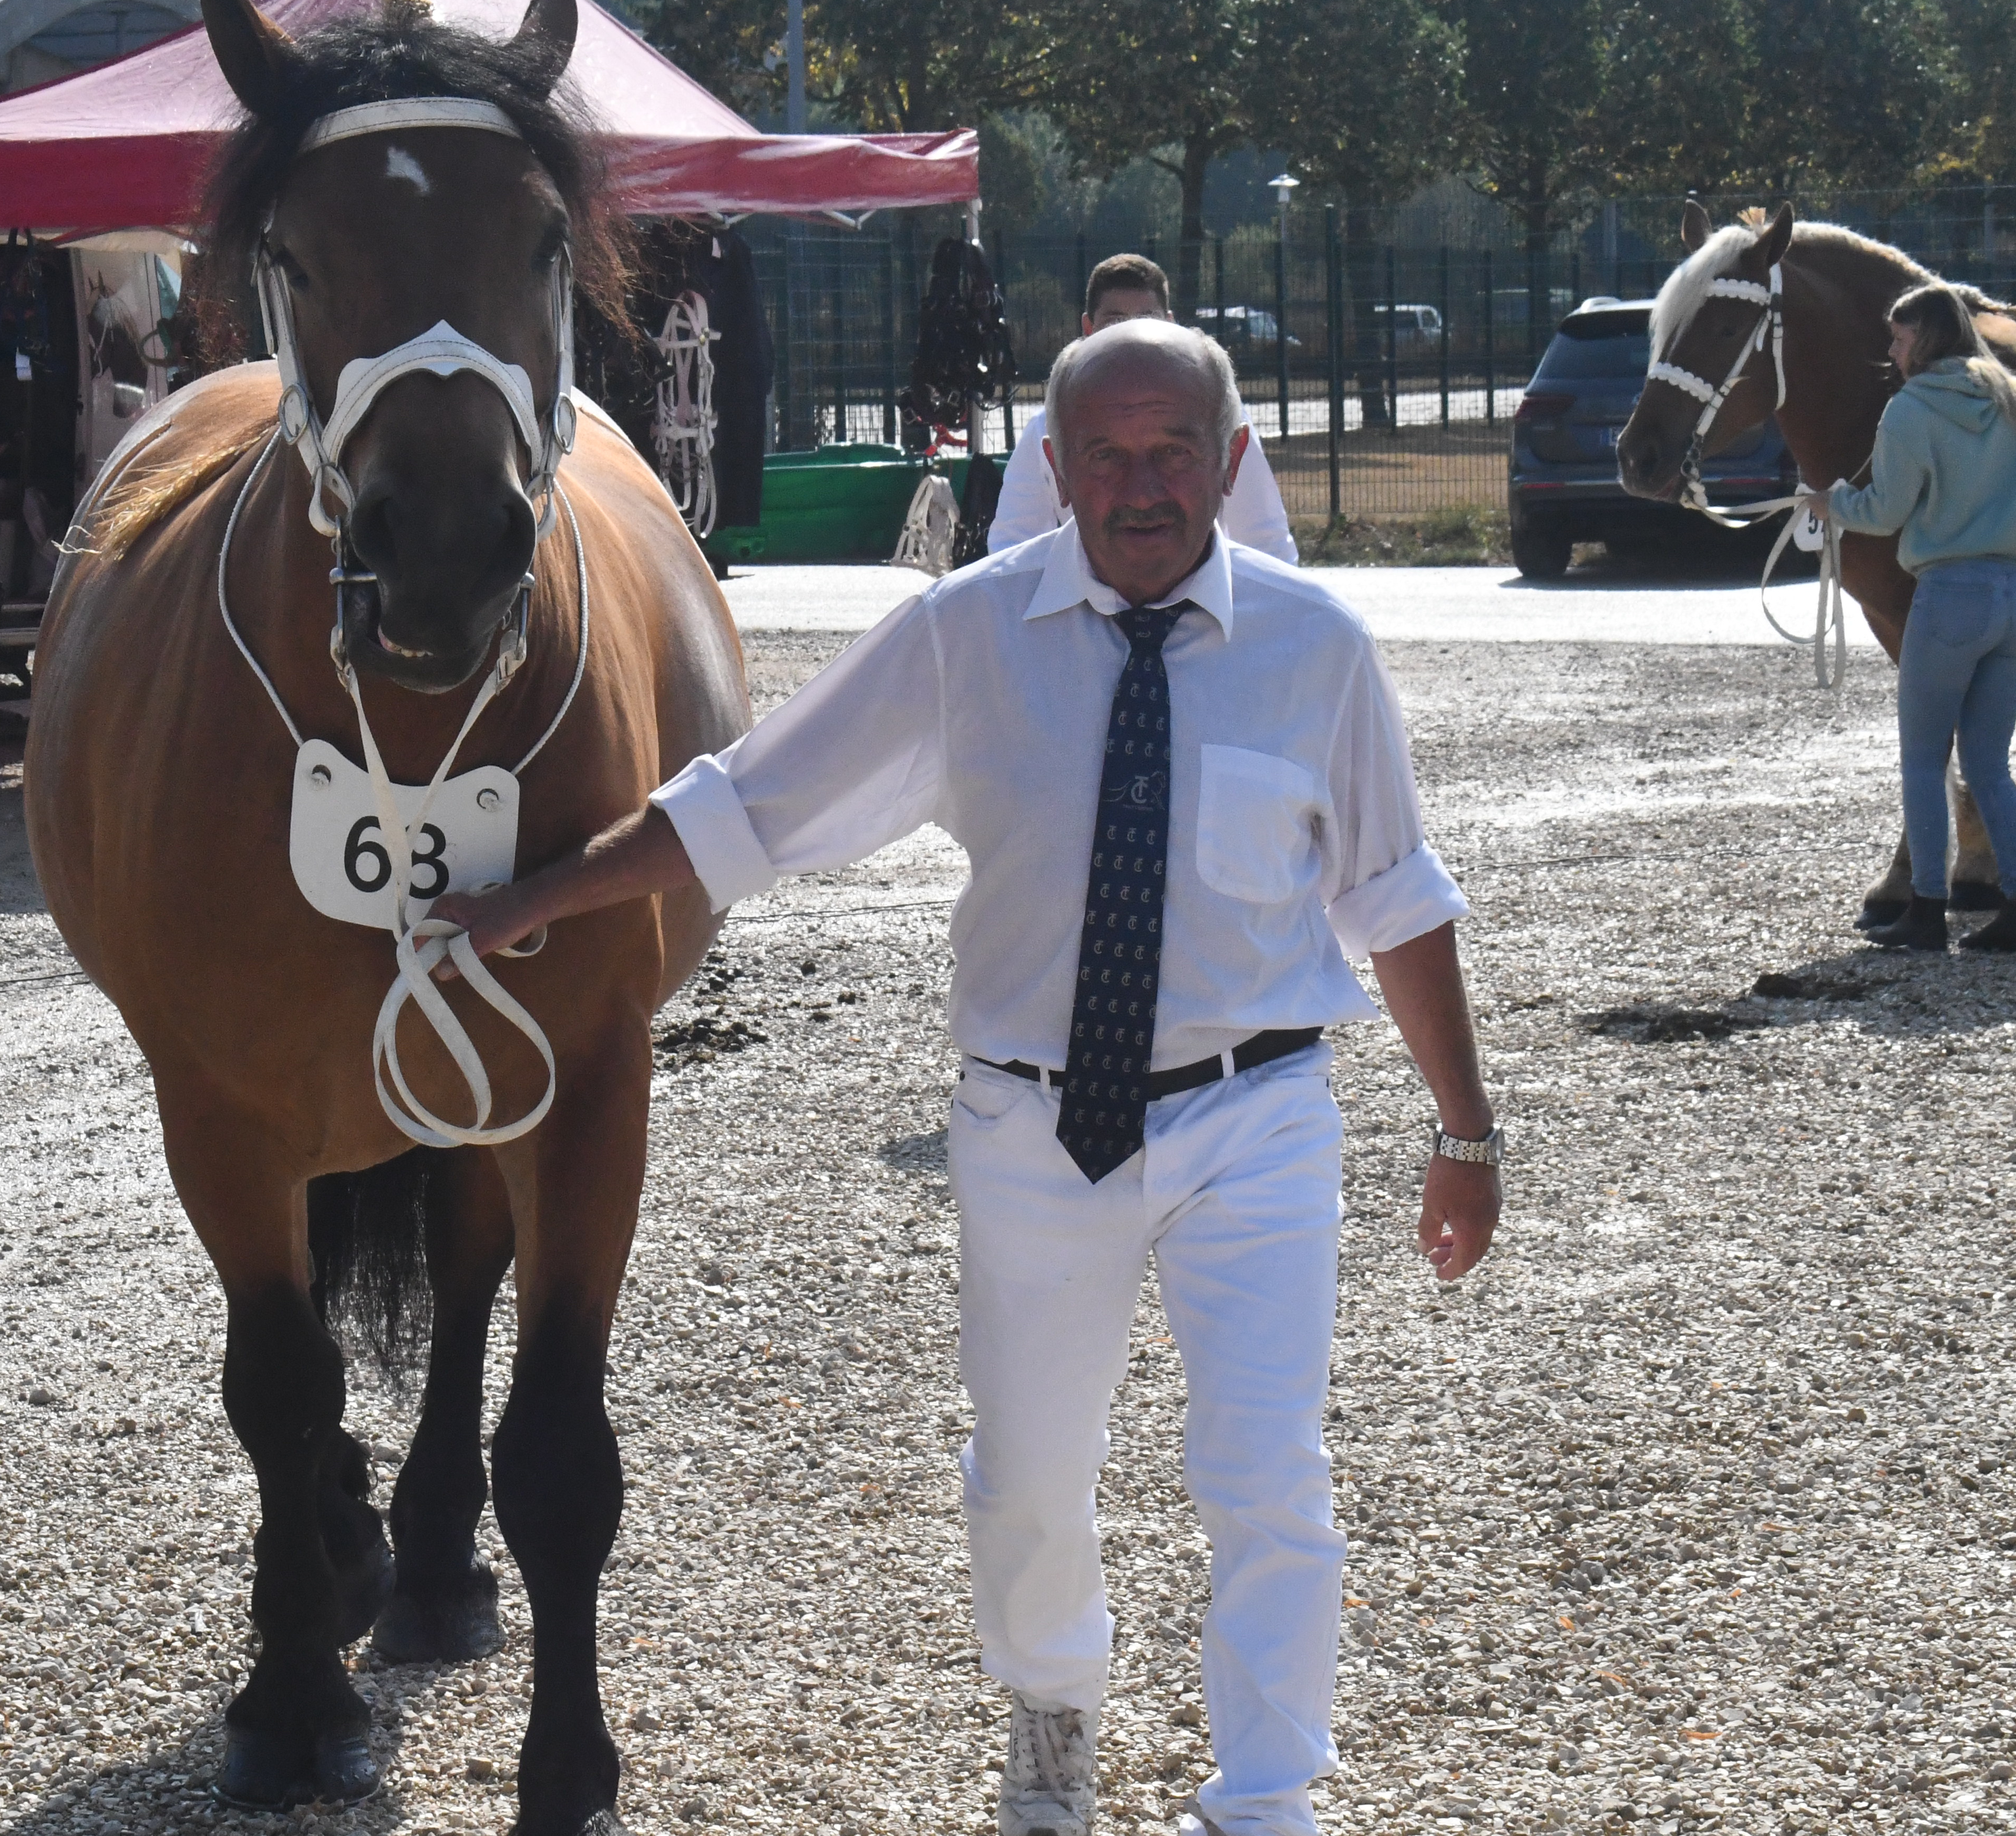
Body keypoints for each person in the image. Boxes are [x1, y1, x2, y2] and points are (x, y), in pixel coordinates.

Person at [433, 319, 1500, 1836]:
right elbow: (752, 803)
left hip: (1258, 1117)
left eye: (1174, 453)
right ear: (1052, 467)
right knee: (1028, 1474)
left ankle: (1267, 1799)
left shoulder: (1315, 648)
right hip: (1034, 1124)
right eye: (1108, 456)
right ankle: (1052, 1728)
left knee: (1268, 1472)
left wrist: (1465, 1130)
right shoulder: (966, 638)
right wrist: (537, 897)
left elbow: (1395, 895)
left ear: (1232, 463)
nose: (1142, 487)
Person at [1825, 283, 2016, 952]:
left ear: (1925, 340)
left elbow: (1884, 513)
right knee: (1990, 764)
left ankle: (1927, 909)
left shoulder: (1910, 409)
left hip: (1949, 596)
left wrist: (1831, 502)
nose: (1893, 352)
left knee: (1925, 761)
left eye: (1900, 339)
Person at [984, 254, 1297, 562]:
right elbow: (1011, 548)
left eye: (1175, 452)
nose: (1131, 333)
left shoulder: (1216, 419)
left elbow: (1266, 542)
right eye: (1105, 455)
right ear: (1088, 329)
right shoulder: (1048, 427)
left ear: (1171, 325)